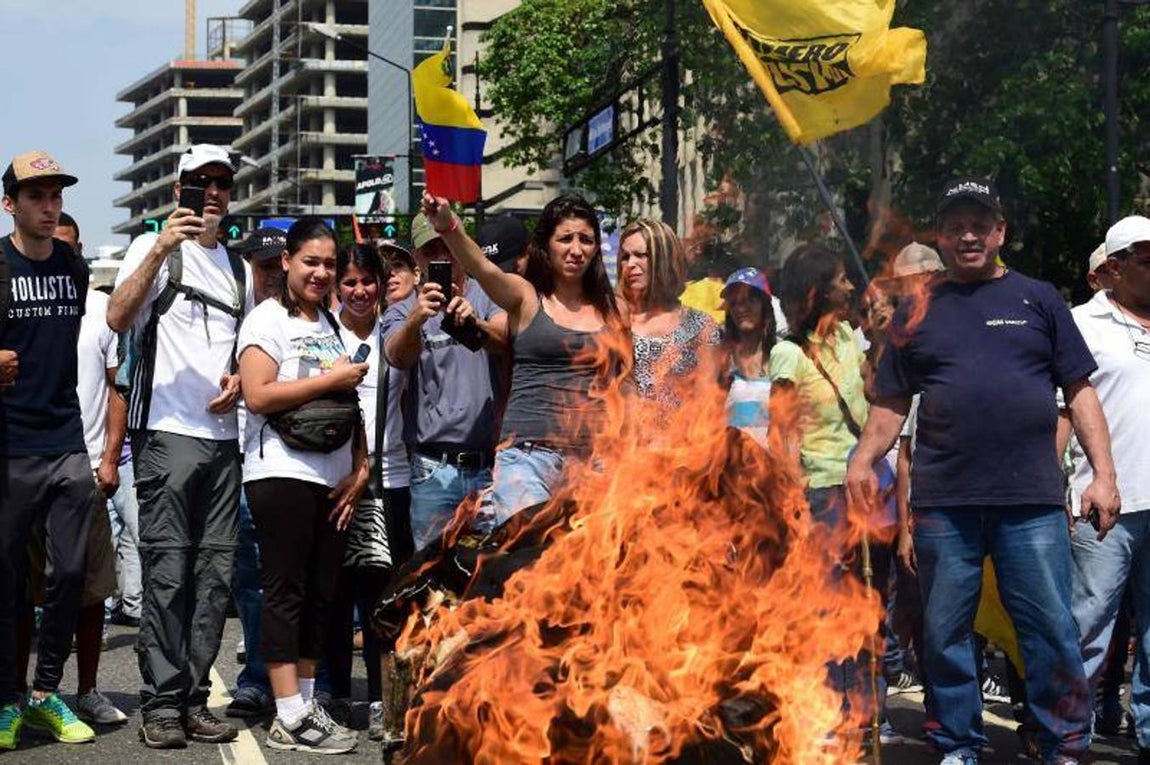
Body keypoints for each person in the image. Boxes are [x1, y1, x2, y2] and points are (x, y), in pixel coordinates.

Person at [845, 176, 1120, 765]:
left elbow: (1080, 390)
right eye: (955, 225)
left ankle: (1064, 744)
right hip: (945, 501)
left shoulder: (1039, 298)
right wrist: (864, 459)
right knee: (944, 632)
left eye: (980, 223)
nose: (968, 234)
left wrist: (1104, 475)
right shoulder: (915, 311)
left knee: (1048, 629)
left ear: (1000, 231)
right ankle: (957, 744)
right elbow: (891, 403)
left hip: (1032, 499)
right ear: (941, 236)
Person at [107, 144, 253, 749]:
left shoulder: (240, 268)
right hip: (165, 434)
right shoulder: (153, 248)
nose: (212, 192)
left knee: (214, 578)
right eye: (201, 182)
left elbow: (249, 351)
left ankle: (193, 700)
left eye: (221, 183)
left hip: (224, 441)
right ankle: (161, 704)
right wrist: (164, 246)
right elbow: (117, 318)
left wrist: (241, 380)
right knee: (167, 575)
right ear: (179, 188)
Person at [419, 190, 628, 534]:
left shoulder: (615, 308)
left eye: (586, 240)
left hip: (595, 461)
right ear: (546, 246)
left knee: (590, 571)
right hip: (529, 460)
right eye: (566, 238)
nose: (576, 249)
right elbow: (481, 267)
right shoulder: (526, 296)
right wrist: (448, 226)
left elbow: (625, 383)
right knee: (530, 563)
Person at [237, 217, 369, 754]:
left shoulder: (330, 324)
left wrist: (360, 468)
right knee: (286, 590)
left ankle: (305, 703)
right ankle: (288, 709)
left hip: (334, 478)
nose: (320, 273)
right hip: (281, 473)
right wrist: (331, 378)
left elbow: (349, 404)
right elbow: (258, 395)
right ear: (286, 261)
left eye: (329, 264)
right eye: (310, 261)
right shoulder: (266, 321)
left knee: (321, 593)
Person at [770, 243, 896, 743]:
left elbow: (873, 391)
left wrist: (883, 341)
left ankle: (869, 710)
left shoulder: (851, 335)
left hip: (867, 487)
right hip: (820, 492)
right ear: (817, 289)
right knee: (826, 603)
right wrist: (791, 498)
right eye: (841, 279)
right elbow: (782, 432)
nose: (850, 286)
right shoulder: (787, 352)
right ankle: (829, 706)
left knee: (870, 600)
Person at [0, 151, 96, 749]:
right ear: (11, 204)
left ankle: (45, 693)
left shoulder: (72, 264)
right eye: (36, 195)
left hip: (67, 440)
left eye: (56, 194)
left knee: (70, 571)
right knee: (7, 580)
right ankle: (8, 699)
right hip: (10, 444)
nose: (49, 204)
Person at [1062, 215, 1150, 762]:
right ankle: (1065, 738)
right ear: (1113, 268)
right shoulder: (1080, 324)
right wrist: (1055, 491)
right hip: (1106, 506)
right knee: (1087, 627)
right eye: (1148, 257)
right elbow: (1061, 413)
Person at [324, 242, 414, 743]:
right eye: (349, 282)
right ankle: (337, 695)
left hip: (390, 484)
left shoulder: (396, 334)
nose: (359, 291)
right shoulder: (322, 333)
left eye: (367, 281)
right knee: (334, 598)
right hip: (334, 486)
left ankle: (383, 701)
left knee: (381, 603)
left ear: (381, 283)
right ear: (337, 286)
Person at [381, 213, 507, 551]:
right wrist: (415, 321)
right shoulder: (403, 309)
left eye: (447, 245)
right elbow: (397, 355)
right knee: (432, 581)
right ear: (417, 258)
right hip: (432, 468)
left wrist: (474, 323)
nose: (441, 255)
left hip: (487, 466)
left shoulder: (487, 294)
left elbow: (505, 336)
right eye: (429, 248)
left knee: (485, 578)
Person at [223, 227, 287, 721]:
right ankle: (256, 677)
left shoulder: (305, 315)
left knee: (295, 580)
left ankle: (309, 681)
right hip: (244, 462)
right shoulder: (231, 315)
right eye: (259, 266)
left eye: (273, 265)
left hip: (297, 464)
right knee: (251, 579)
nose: (266, 274)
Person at [617, 218, 720, 409]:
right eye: (625, 257)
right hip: (621, 436)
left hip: (683, 435)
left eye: (641, 255)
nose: (630, 264)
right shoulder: (613, 322)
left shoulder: (700, 325)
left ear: (663, 259)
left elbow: (708, 401)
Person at [720, 267, 776, 448]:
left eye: (749, 300)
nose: (741, 309)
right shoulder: (721, 359)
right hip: (734, 467)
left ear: (764, 305)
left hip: (776, 468)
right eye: (734, 303)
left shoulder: (783, 354)